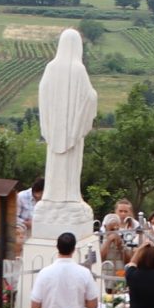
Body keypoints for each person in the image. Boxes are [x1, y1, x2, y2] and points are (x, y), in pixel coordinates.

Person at [38, 29, 96, 204]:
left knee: (55, 165)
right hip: (71, 130)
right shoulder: (79, 69)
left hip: (55, 128)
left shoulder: (51, 67)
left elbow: (43, 93)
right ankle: (69, 196)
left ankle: (53, 195)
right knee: (70, 168)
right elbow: (89, 96)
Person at [30, 233, 99, 308]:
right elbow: (93, 304)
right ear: (74, 249)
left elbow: (34, 305)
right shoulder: (84, 273)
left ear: (57, 247)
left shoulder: (45, 273)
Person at [100, 213, 131, 285]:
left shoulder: (124, 238)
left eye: (117, 229)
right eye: (112, 229)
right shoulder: (100, 239)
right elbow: (100, 258)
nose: (114, 231)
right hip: (105, 279)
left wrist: (121, 247)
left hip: (119, 278)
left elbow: (128, 261)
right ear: (105, 227)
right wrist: (109, 240)